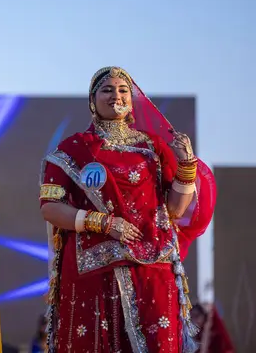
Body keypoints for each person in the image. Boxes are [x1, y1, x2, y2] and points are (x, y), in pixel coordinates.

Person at [39, 66, 216, 352]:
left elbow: (173, 209)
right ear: (92, 100)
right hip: (95, 268)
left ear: (132, 100)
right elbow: (50, 208)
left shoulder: (152, 147)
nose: (116, 96)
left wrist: (186, 167)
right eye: (107, 90)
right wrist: (104, 223)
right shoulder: (73, 149)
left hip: (154, 265)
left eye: (123, 90)